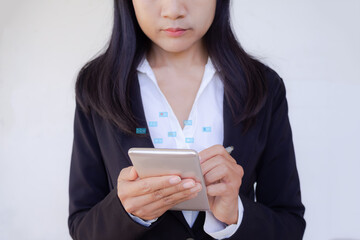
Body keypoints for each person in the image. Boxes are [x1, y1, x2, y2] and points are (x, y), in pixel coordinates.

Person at [68, 0, 306, 239]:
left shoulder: (263, 86)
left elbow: (290, 226)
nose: (173, 11)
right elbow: (82, 227)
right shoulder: (96, 87)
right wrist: (126, 212)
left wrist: (236, 213)